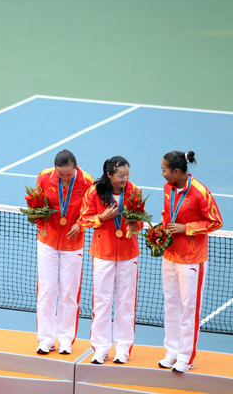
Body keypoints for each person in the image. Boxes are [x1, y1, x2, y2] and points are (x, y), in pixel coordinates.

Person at [159, 151, 222, 373]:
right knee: (171, 306)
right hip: (169, 255)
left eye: (164, 170)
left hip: (191, 259)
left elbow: (215, 221)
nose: (162, 173)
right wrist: (161, 231)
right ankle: (172, 352)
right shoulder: (167, 188)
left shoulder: (200, 192)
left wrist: (186, 228)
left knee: (189, 310)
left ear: (176, 171)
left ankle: (186, 357)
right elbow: (167, 214)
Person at [79, 156, 142, 364]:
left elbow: (141, 218)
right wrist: (101, 217)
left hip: (127, 254)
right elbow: (83, 219)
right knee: (102, 302)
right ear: (109, 175)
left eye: (127, 175)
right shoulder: (94, 192)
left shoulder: (134, 191)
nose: (125, 179)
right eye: (121, 175)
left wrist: (137, 226)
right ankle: (100, 349)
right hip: (103, 254)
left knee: (126, 303)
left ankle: (123, 349)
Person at [34, 150, 93, 355]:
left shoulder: (87, 182)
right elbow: (36, 204)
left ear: (76, 167)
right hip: (47, 242)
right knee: (47, 291)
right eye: (61, 175)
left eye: (69, 174)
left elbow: (91, 211)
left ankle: (66, 339)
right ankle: (46, 339)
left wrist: (81, 224)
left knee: (69, 292)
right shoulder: (44, 177)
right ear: (55, 169)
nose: (65, 178)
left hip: (73, 244)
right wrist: (38, 218)